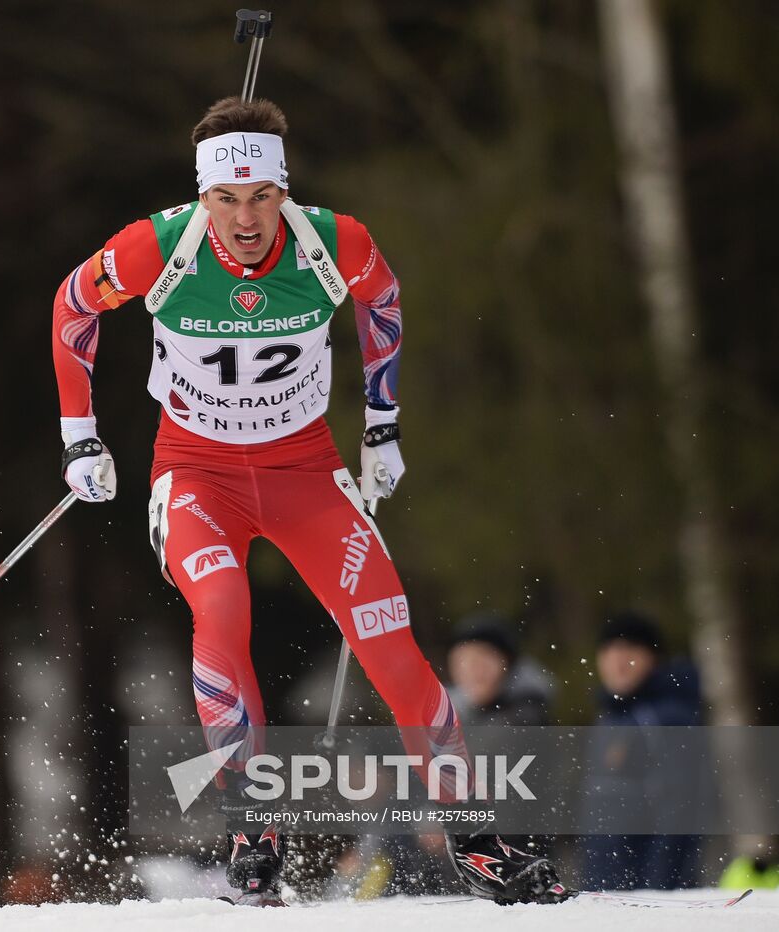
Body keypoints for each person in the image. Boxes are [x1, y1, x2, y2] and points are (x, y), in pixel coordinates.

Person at [49, 96, 569, 905]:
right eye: (226, 199)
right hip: (198, 476)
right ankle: (253, 827)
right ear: (202, 196)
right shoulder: (158, 247)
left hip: (306, 475)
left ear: (284, 191)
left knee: (390, 644)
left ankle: (477, 839)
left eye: (262, 197)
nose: (245, 219)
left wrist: (383, 422)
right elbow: (74, 304)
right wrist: (79, 435)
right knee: (223, 609)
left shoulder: (334, 242)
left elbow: (383, 300)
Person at [580, 612, 704, 890]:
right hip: (605, 891)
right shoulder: (608, 718)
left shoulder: (668, 718)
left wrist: (659, 891)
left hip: (649, 895)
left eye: (629, 650)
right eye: (609, 651)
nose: (618, 661)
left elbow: (681, 813)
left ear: (653, 658)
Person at [445, 613, 552, 727]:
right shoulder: (451, 715)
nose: (473, 671)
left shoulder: (525, 718)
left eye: (483, 659)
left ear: (508, 663)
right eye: (462, 661)